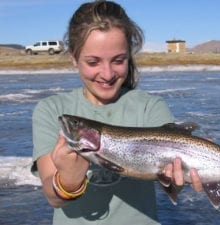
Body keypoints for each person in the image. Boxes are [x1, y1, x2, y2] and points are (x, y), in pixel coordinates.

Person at [31, 1, 202, 225]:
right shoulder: (51, 110)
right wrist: (68, 182)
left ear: (129, 56)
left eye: (118, 61)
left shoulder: (149, 106)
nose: (107, 73)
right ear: (73, 57)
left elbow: (170, 179)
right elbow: (52, 197)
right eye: (93, 62)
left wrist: (175, 181)